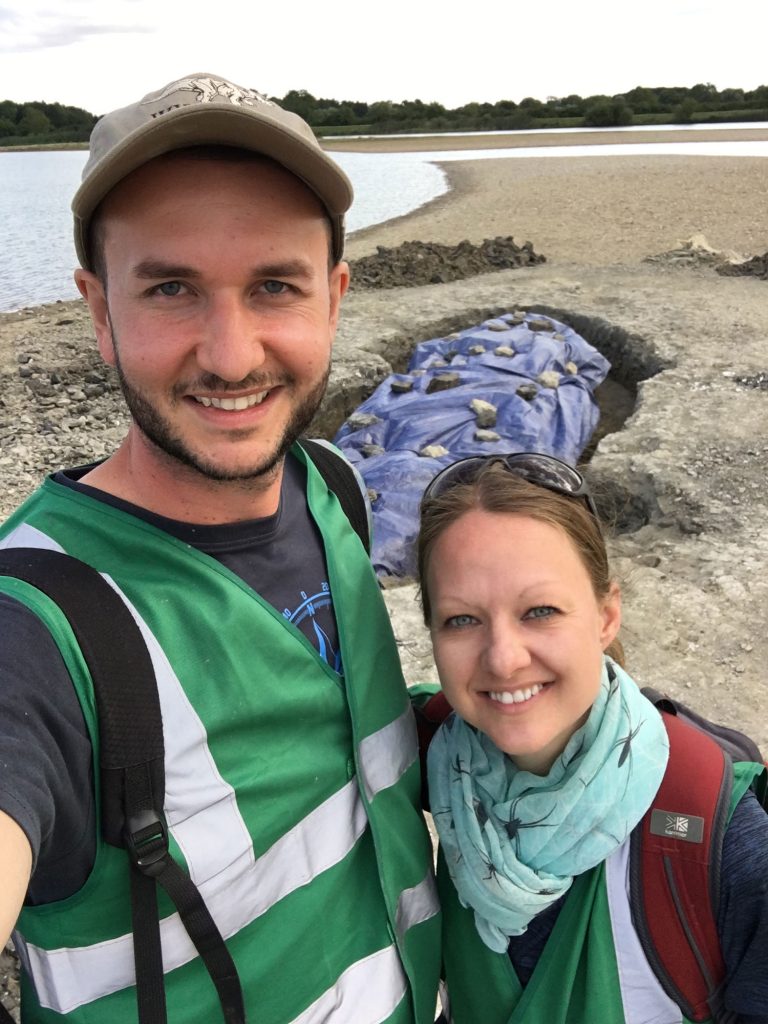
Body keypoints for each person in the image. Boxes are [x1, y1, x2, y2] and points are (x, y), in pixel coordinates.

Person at [0, 73, 441, 1023]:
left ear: (334, 298)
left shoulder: (334, 489)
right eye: (171, 288)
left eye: (274, 286)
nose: (233, 356)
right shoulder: (34, 624)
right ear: (97, 309)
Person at [417, 453, 768, 1024]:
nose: (504, 660)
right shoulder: (439, 757)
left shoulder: (720, 845)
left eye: (540, 611)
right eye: (461, 620)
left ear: (606, 616)